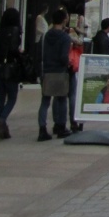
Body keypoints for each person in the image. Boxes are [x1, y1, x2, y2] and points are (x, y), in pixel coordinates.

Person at [38, 7, 72, 141]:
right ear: (64, 20)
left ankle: (42, 128)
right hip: (59, 71)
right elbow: (64, 56)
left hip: (47, 70)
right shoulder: (65, 37)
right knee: (62, 99)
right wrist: (68, 63)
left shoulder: (48, 34)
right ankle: (61, 126)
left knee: (45, 101)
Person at [0, 8, 24, 139]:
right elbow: (13, 50)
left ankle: (2, 127)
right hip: (8, 68)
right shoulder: (15, 31)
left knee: (0, 97)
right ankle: (2, 120)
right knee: (12, 97)